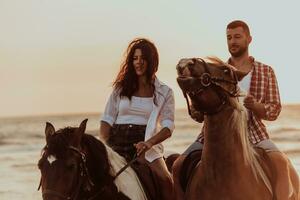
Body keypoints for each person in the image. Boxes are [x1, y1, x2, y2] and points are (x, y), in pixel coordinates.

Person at [173, 20, 289, 200]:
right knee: (178, 165)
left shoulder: (266, 71)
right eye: (229, 37)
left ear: (249, 39)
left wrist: (256, 106)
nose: (233, 41)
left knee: (281, 163)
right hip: (214, 136)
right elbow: (199, 113)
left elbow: (274, 109)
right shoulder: (216, 72)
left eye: (237, 37)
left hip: (255, 134)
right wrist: (198, 105)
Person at [99, 38, 175, 200]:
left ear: (152, 61)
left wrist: (149, 143)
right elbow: (106, 120)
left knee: (166, 181)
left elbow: (168, 127)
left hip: (145, 147)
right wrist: (105, 146)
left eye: (143, 58)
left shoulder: (165, 92)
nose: (138, 62)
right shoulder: (120, 89)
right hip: (115, 142)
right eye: (135, 58)